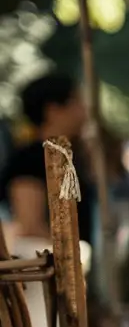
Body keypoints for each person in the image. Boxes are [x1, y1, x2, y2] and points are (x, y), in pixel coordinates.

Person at [3, 72, 94, 250]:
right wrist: (70, 256)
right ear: (53, 111)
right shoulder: (28, 161)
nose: (84, 110)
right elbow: (30, 225)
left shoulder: (71, 157)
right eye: (77, 102)